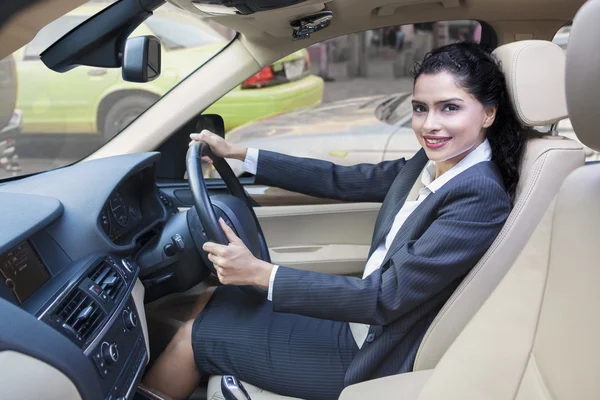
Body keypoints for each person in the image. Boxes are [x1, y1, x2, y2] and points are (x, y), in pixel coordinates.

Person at [141, 42, 524, 400]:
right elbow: (342, 179)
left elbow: (384, 297)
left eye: (449, 108)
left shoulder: (478, 195)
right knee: (215, 296)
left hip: (371, 355)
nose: (429, 125)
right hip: (361, 325)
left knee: (195, 336)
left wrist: (260, 273)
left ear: (488, 113)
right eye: (420, 108)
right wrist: (240, 154)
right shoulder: (436, 162)